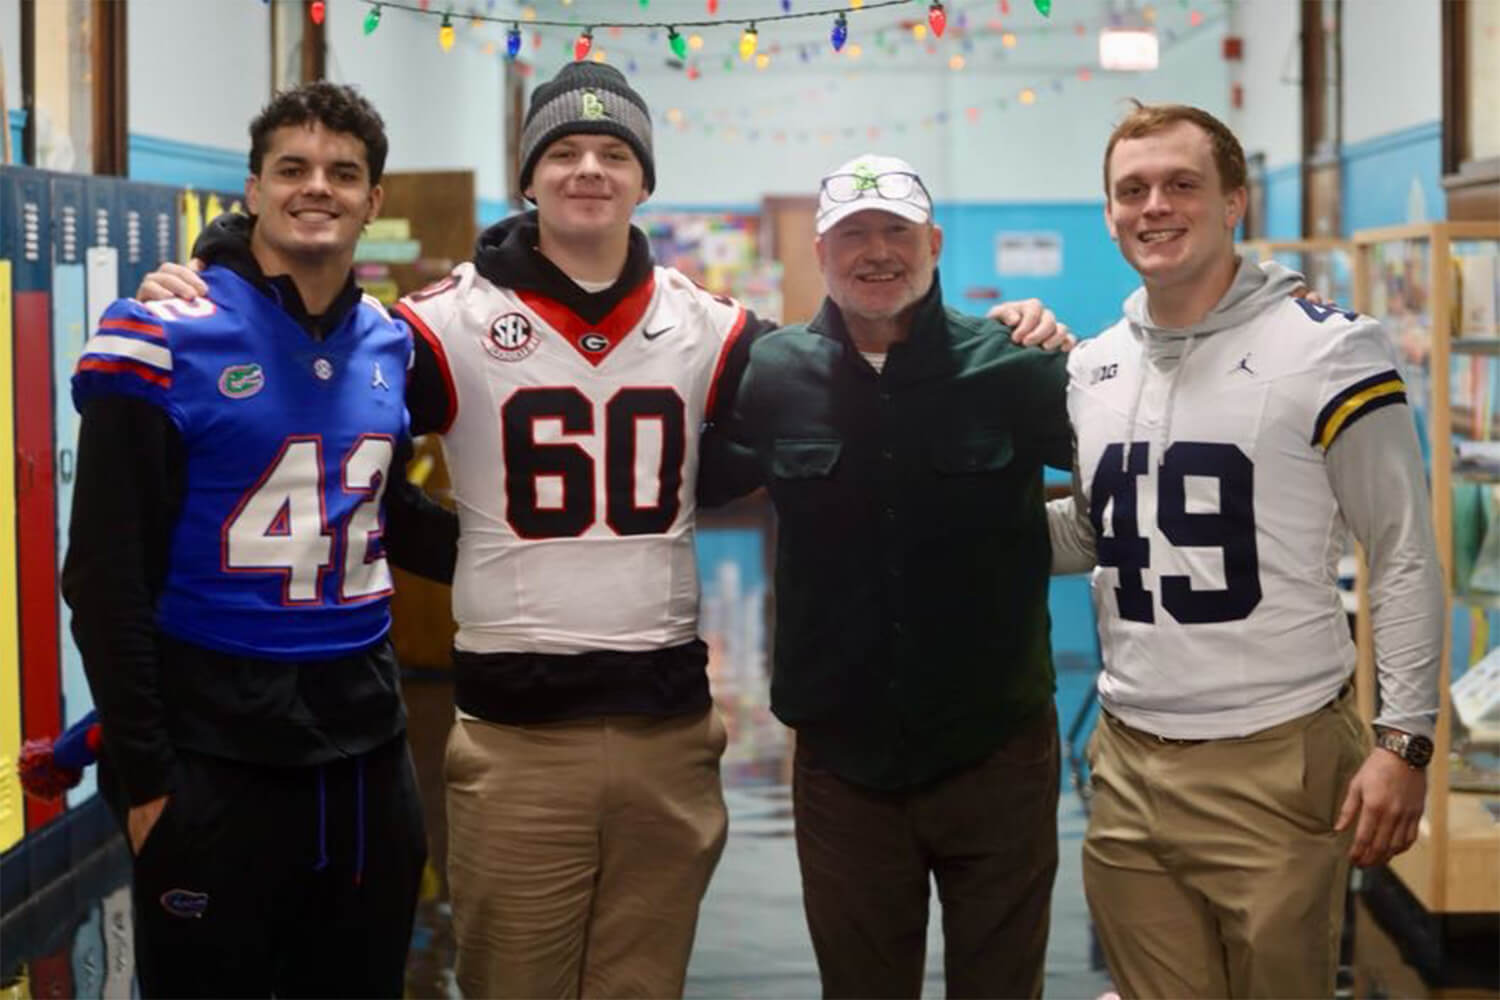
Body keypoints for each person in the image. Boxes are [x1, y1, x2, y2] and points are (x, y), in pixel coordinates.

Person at [137, 68, 1065, 998]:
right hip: (517, 732)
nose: (589, 168)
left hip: (667, 724)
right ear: (528, 178)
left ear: (644, 180)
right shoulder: (442, 320)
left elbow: (846, 386)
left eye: (614, 152)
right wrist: (226, 260)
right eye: (564, 152)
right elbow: (331, 419)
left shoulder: (709, 326)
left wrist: (1010, 336)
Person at [1046, 102, 1443, 998]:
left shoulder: (1332, 351)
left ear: (1235, 201)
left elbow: (1405, 553)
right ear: (1109, 216)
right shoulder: (1093, 368)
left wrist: (1405, 741)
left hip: (1275, 757)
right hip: (1128, 758)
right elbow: (1101, 532)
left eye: (1182, 184)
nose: (1156, 206)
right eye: (1132, 190)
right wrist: (930, 519)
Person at [63, 82, 452, 997]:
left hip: (364, 741)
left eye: (342, 173)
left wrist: (549, 554)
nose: (317, 187)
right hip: (214, 744)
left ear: (373, 200)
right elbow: (105, 579)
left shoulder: (389, 343)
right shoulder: (160, 334)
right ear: (253, 188)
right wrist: (149, 777)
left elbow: (378, 511)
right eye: (293, 168)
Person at [705, 153, 1072, 999]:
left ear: (934, 242)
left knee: (1004, 986)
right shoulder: (770, 374)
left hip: (999, 750)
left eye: (897, 231)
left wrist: (1073, 343)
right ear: (820, 254)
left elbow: (1128, 463)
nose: (878, 252)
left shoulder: (1013, 365)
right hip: (844, 762)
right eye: (854, 235)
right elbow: (679, 485)